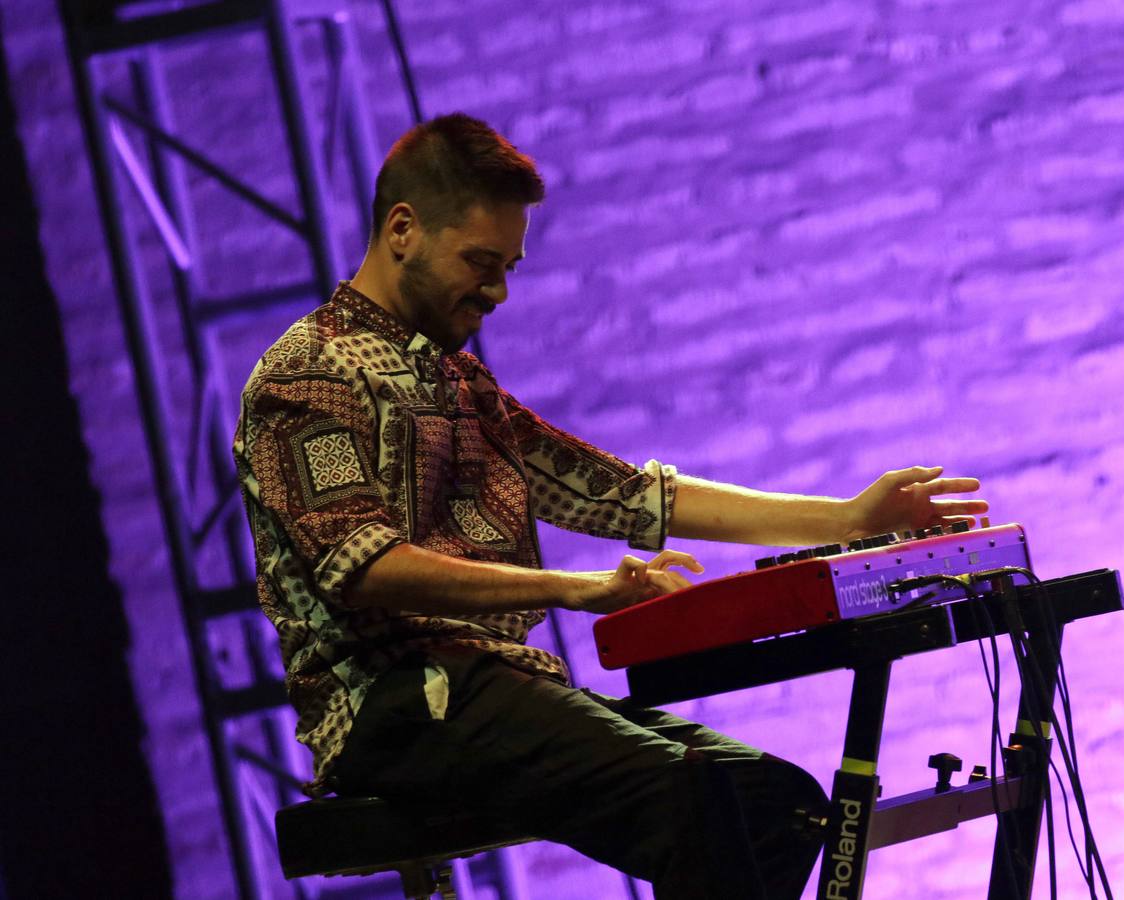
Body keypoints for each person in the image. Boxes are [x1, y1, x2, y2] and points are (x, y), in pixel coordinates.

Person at [234, 112, 988, 898]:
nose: (496, 291)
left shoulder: (459, 385)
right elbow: (366, 566)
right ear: (402, 230)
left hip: (498, 688)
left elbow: (623, 495)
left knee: (777, 803)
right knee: (704, 805)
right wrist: (579, 587)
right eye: (480, 262)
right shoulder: (308, 376)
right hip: (396, 707)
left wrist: (848, 520)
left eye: (509, 267)